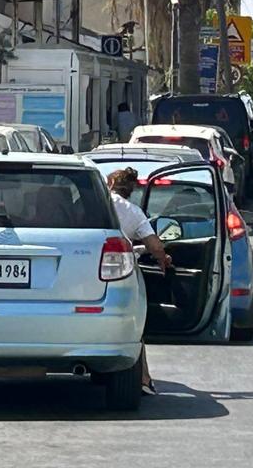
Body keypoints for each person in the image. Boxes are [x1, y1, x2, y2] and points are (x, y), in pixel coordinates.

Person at [106, 167, 172, 395]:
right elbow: (155, 245)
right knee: (134, 328)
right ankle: (143, 378)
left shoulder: (96, 203)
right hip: (120, 275)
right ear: (130, 190)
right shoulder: (133, 212)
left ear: (110, 184)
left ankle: (144, 377)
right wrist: (163, 259)